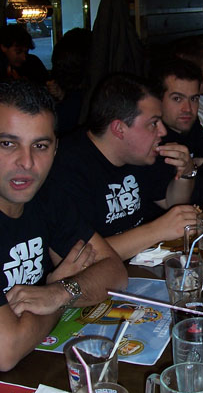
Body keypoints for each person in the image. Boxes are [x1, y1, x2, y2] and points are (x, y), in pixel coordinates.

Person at [0, 80, 127, 371]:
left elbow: (114, 272)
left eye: (40, 146)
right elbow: (6, 349)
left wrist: (61, 292)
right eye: (8, 144)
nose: (27, 162)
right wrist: (57, 296)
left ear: (55, 149)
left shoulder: (46, 197)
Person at [50, 73, 198, 260]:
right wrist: (156, 230)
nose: (163, 131)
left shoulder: (138, 153)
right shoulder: (66, 168)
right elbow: (79, 257)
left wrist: (187, 172)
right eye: (153, 123)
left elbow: (172, 203)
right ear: (119, 129)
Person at [151, 57, 203, 204]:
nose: (188, 109)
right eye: (177, 99)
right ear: (158, 100)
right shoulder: (152, 139)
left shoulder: (190, 125)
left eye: (194, 99)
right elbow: (182, 200)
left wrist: (194, 169)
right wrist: (201, 167)